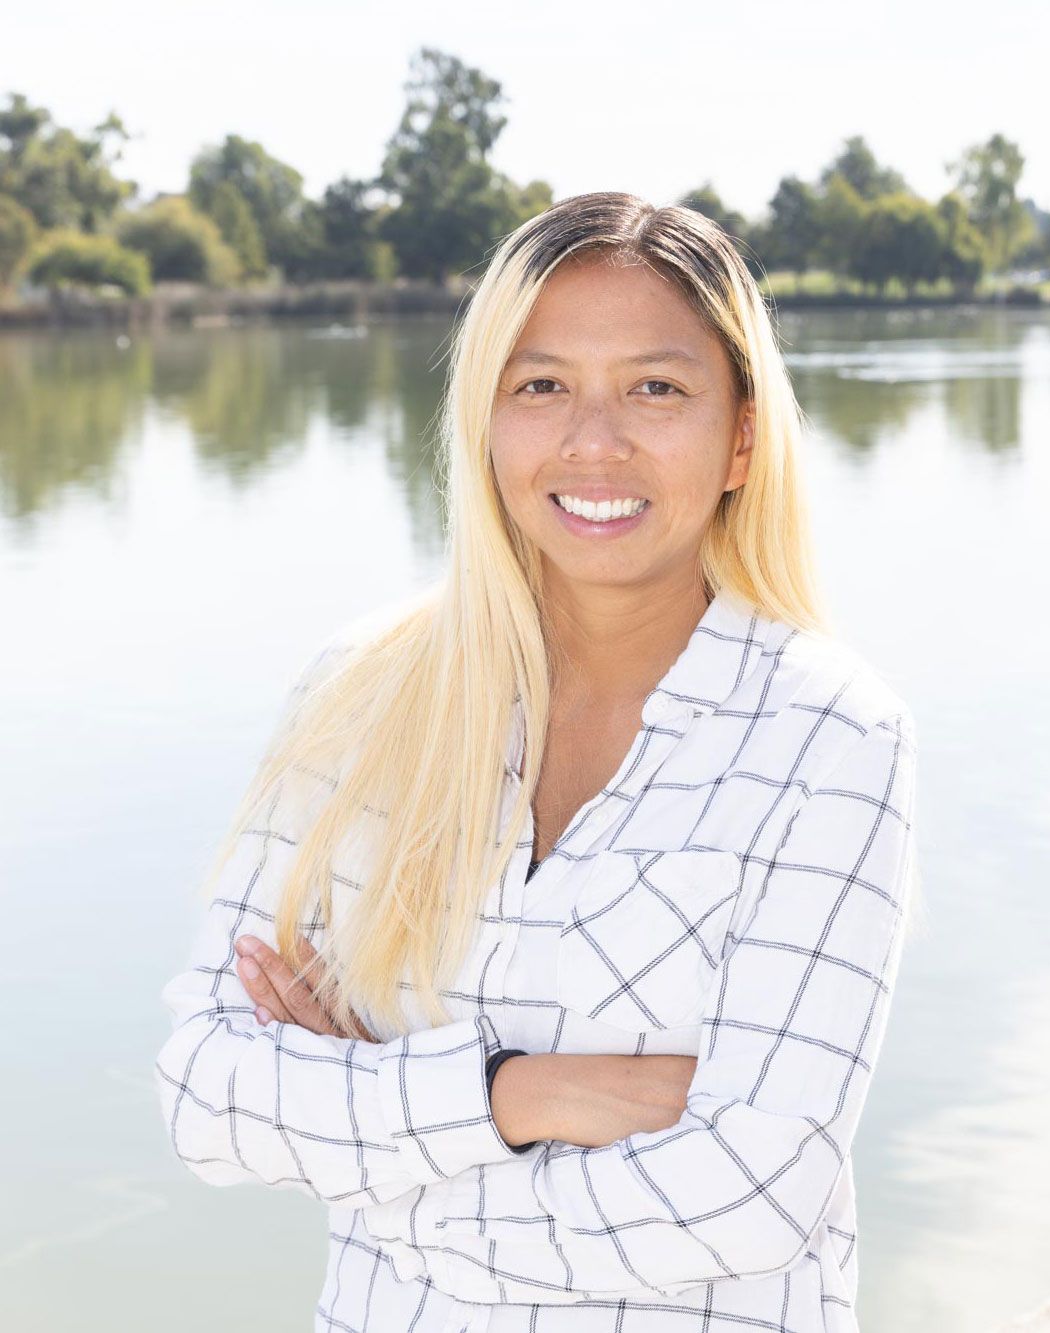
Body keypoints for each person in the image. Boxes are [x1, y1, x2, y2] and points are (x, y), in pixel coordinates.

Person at [154, 191, 921, 1333]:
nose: (593, 442)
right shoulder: (360, 695)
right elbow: (207, 1092)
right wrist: (512, 1093)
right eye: (541, 385)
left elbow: (751, 1196)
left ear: (742, 438)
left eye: (656, 389)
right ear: (484, 421)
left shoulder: (827, 736)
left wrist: (378, 1160)